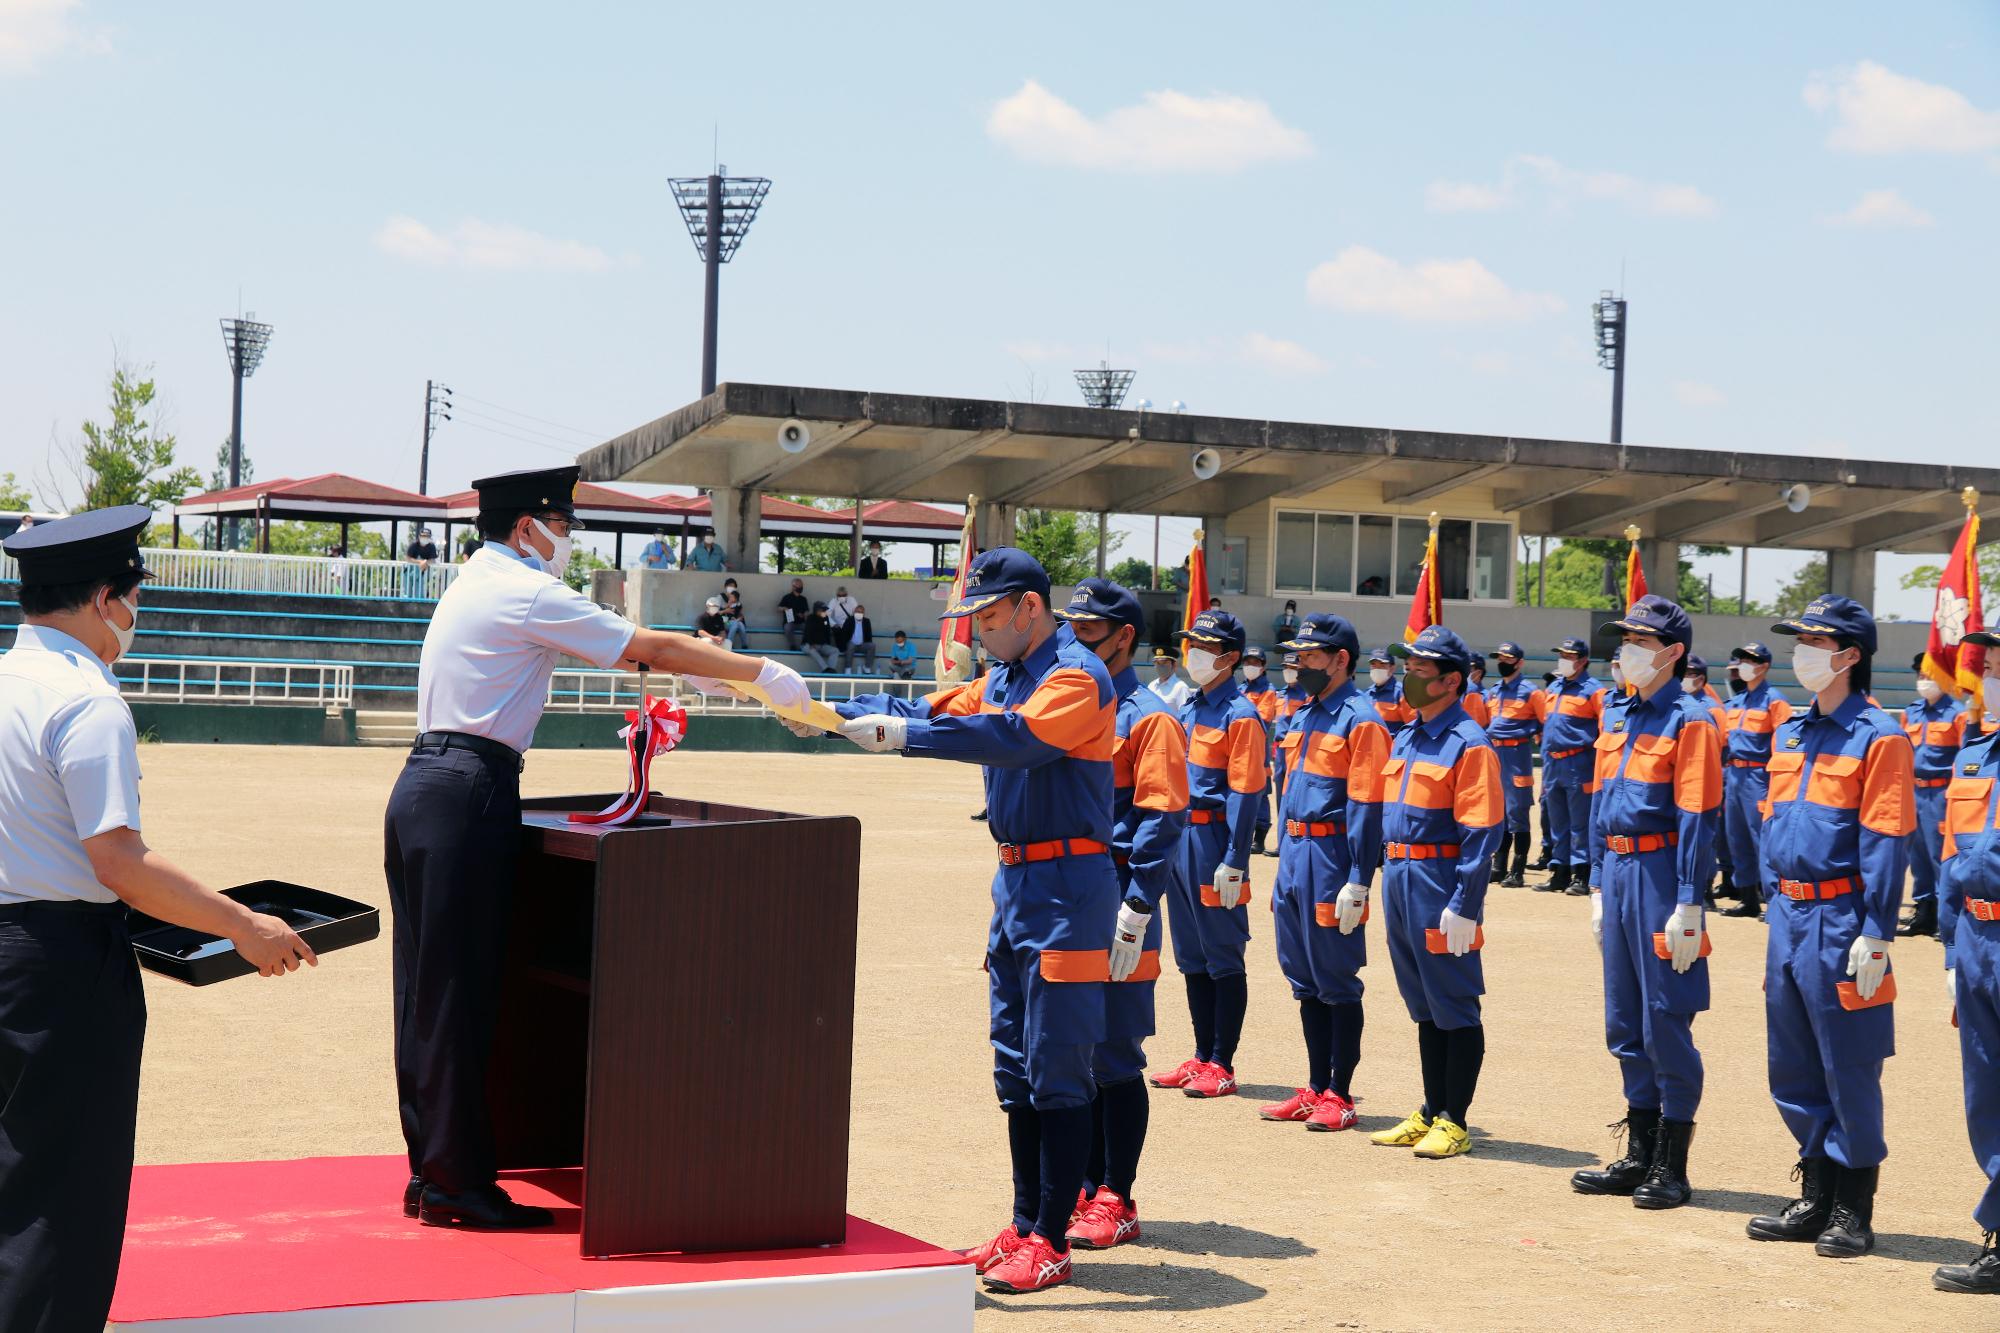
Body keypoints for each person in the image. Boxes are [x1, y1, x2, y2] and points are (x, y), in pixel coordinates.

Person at [384, 465, 808, 1230]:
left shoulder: (476, 579)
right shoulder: (522, 587)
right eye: (563, 524)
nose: (567, 540)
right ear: (527, 529)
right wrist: (756, 673)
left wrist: (706, 674)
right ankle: (456, 1183)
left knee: (424, 992)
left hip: (424, 785)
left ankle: (433, 1168)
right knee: (461, 995)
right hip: (468, 788)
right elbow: (647, 646)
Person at [0, 507, 317, 1329]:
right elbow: (121, 865)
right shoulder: (87, 702)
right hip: (64, 967)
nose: (135, 615)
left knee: (12, 1180)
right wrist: (246, 925)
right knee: (63, 1202)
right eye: (134, 597)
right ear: (106, 597)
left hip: (10, 948)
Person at [824, 548, 1118, 1295]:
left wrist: (903, 739)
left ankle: (1053, 1236)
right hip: (1017, 880)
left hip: (1068, 886)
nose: (979, 633)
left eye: (988, 617)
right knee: (1015, 1065)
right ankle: (1024, 1223)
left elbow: (1014, 741)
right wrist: (830, 715)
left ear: (1029, 606)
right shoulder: (1010, 675)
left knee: (1058, 1066)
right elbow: (932, 710)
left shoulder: (1076, 675)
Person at [1744, 596, 1913, 1259]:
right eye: (1800, 640)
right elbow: (1773, 823)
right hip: (1788, 911)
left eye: (1815, 641)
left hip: (1844, 916)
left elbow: (1886, 838)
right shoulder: (1791, 730)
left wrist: (1877, 930)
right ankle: (1815, 1191)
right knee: (1791, 1061)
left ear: (1849, 655)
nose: (1801, 652)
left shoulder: (1881, 735)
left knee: (1849, 1061)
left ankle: (1852, 1205)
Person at [1570, 597, 1722, 1210]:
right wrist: (1600, 883)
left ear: (1672, 652)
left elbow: (1697, 817)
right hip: (1623, 871)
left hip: (1662, 874)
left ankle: (1672, 1162)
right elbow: (1601, 808)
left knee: (1666, 1016)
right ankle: (1638, 1150)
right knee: (1624, 1020)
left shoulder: (1692, 720)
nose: (1624, 649)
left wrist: (1689, 901)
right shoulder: (1619, 714)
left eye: (1639, 640)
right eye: (1623, 638)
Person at [1053, 579, 1188, 1252]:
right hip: (1066, 900)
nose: (1071, 644)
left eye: (1086, 633)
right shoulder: (1071, 707)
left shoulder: (1148, 716)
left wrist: (1137, 906)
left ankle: (1117, 1195)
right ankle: (1082, 1183)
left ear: (1123, 638)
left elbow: (1162, 817)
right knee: (1070, 1052)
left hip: (1117, 899)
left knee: (1113, 1054)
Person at [1366, 625, 1503, 1160]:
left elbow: (1482, 829)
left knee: (1455, 1003)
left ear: (1451, 681)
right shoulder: (1407, 735)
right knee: (1424, 1004)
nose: (1408, 677)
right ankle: (1430, 1109)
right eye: (1408, 667)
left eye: (1420, 670)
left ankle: (1456, 1119)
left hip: (1439, 880)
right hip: (1401, 878)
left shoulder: (1468, 742)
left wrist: (1465, 903)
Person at [1257, 612, 1390, 1133]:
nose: (1300, 664)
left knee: (1335, 977)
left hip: (1333, 857)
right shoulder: (1305, 713)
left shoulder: (1363, 720)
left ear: (1341, 660)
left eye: (1311, 657)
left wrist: (1359, 877)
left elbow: (1366, 806)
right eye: (1298, 655)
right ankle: (1314, 1087)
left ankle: (1340, 1092)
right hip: (1295, 852)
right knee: (1303, 978)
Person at [1151, 610, 1266, 1100]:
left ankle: (1222, 1062)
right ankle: (1200, 1056)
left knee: (1222, 953)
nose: (1192, 652)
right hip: (1181, 838)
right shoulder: (1191, 707)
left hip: (1215, 841)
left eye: (1203, 645)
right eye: (1190, 643)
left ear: (1230, 657)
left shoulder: (1241, 715)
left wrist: (1236, 857)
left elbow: (1245, 791)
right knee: (1192, 955)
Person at [1933, 628, 2000, 1295]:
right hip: (1979, 941)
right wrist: (1952, 944)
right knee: (1988, 1095)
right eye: (1992, 662)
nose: (1992, 673)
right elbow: (1953, 857)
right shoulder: (1974, 755)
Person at [1718, 641, 1793, 918]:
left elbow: (1786, 744)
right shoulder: (1736, 702)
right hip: (1734, 775)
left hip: (1759, 776)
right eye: (1743, 659)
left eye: (1751, 660)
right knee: (1736, 836)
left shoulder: (1775, 700)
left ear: (1764, 666)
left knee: (1762, 840)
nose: (1745, 665)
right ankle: (1747, 898)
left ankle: (1773, 901)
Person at [1901, 652, 1967, 938]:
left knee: (1942, 855)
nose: (1923, 680)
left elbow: (1965, 755)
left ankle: (1946, 916)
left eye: (1929, 675)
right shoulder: (1911, 712)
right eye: (1920, 675)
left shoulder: (1958, 713)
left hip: (1941, 792)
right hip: (1914, 790)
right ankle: (1923, 911)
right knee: (1918, 855)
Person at [1536, 637, 1606, 896]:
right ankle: (1559, 871)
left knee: (1579, 821)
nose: (1564, 660)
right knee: (1557, 821)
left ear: (1583, 660)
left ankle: (1581, 874)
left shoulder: (1593, 690)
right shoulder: (1553, 687)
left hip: (1579, 762)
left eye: (1569, 656)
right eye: (1562, 655)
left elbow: (1604, 727)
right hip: (1553, 762)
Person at [1487, 641, 1542, 888]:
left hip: (1517, 754)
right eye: (1499, 658)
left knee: (1517, 813)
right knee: (1498, 813)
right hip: (1495, 753)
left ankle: (1517, 870)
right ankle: (1499, 866)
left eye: (1508, 659)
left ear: (1519, 663)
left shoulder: (1531, 692)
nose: (1502, 663)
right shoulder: (1494, 691)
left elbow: (1545, 722)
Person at [1240, 646, 1280, 857]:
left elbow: (1262, 721)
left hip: (1257, 749)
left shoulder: (1268, 690)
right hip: (1238, 749)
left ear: (1263, 667)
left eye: (1255, 662)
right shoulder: (1240, 688)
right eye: (1247, 662)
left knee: (1261, 792)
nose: (1250, 666)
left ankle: (1260, 838)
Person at [1363, 647, 1413, 737]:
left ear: (1392, 668)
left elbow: (1412, 727)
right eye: (1373, 665)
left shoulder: (1402, 693)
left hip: (1392, 749)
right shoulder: (1367, 694)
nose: (1377, 669)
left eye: (1382, 665)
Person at [1147, 648, 1193, 713]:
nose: (1160, 666)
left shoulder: (1181, 688)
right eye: (1157, 662)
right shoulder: (1151, 686)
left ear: (1174, 665)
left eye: (1164, 662)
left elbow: (1185, 715)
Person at [801, 600, 840, 672]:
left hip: (821, 645)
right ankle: (825, 669)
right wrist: (811, 643)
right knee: (812, 650)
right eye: (823, 610)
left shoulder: (825, 618)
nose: (825, 611)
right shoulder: (810, 618)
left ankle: (831, 669)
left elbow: (827, 632)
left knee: (835, 650)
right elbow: (807, 632)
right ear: (817, 610)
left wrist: (827, 644)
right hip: (807, 644)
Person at [404, 527, 440, 598]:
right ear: (419, 536)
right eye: (423, 536)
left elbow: (433, 560)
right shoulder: (413, 545)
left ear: (430, 537)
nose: (425, 538)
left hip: (421, 573)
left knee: (419, 593)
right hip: (408, 572)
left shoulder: (432, 546)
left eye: (427, 536)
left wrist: (425, 562)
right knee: (407, 593)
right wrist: (420, 562)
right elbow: (407, 558)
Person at [843, 602, 877, 675]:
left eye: (861, 612)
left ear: (864, 613)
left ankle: (867, 667)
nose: (859, 613)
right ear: (854, 612)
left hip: (862, 645)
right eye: (858, 611)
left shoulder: (866, 621)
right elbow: (844, 634)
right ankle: (848, 668)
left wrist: (868, 643)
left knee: (872, 645)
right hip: (851, 644)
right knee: (851, 645)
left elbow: (869, 635)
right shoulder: (849, 620)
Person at [778, 577, 810, 651]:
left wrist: (805, 614)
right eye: (799, 586)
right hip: (790, 621)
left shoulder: (803, 599)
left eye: (801, 586)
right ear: (793, 587)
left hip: (801, 622)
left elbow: (807, 610)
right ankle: (793, 646)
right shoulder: (787, 597)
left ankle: (803, 645)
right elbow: (778, 608)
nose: (801, 588)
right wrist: (785, 608)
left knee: (809, 627)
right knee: (788, 628)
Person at [718, 578, 749, 649]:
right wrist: (725, 611)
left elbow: (740, 614)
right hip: (724, 622)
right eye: (730, 586)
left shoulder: (737, 603)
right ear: (725, 586)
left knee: (740, 625)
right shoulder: (720, 597)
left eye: (733, 586)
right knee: (735, 623)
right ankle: (728, 644)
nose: (731, 588)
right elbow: (715, 612)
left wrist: (739, 618)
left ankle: (744, 645)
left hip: (734, 621)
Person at [1462, 654, 1491, 728]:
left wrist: (1470, 688)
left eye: (1469, 668)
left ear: (1479, 673)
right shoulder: (1457, 692)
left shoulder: (1487, 697)